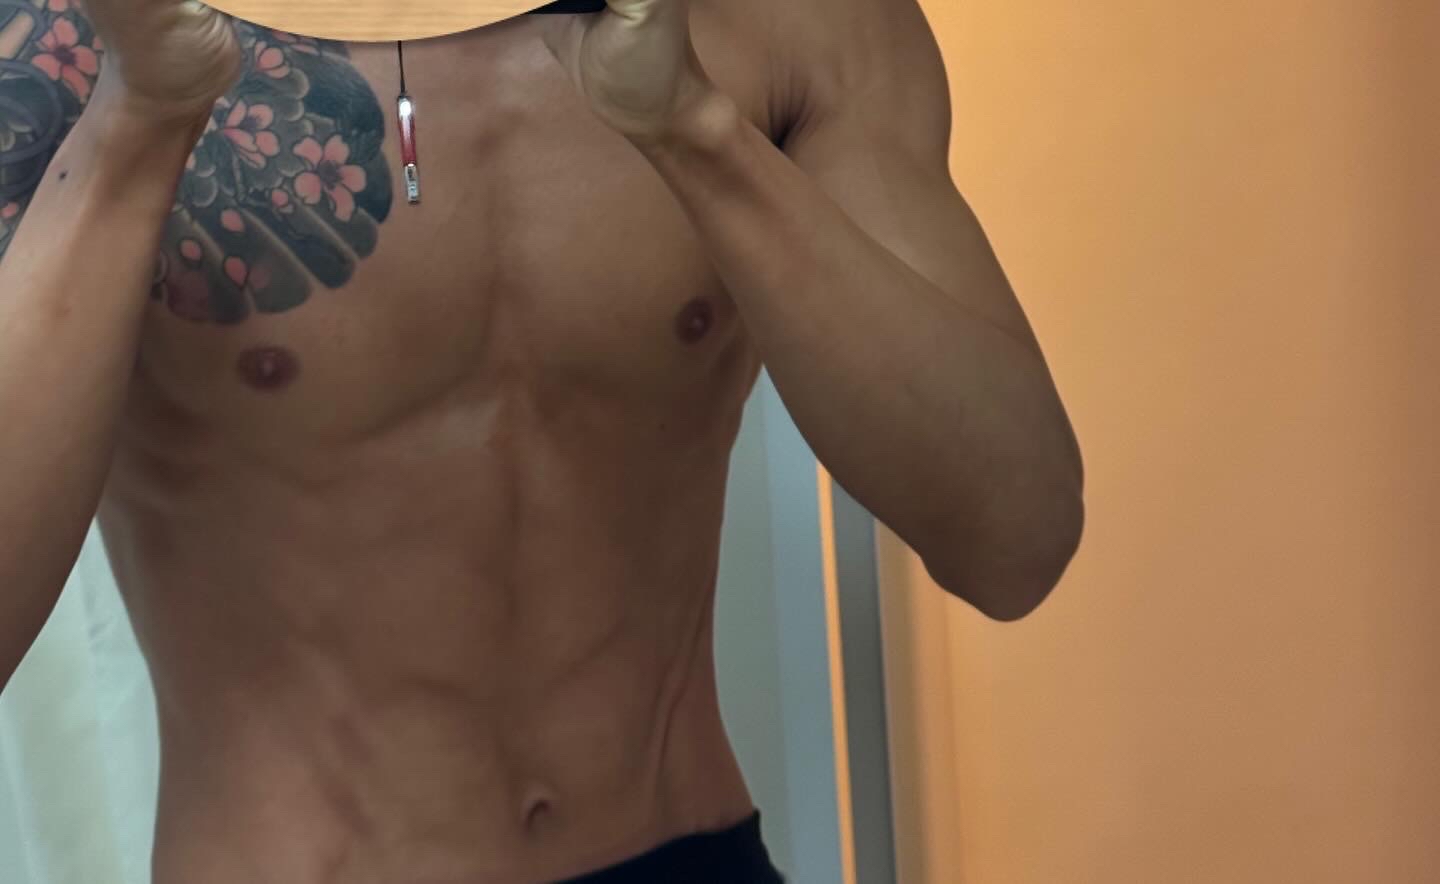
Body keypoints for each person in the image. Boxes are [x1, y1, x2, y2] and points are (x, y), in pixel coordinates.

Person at [0, 0, 1084, 880]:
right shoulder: (66, 43)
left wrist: (694, 129)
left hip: (683, 854)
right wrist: (137, 125)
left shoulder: (794, 21)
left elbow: (1016, 539)